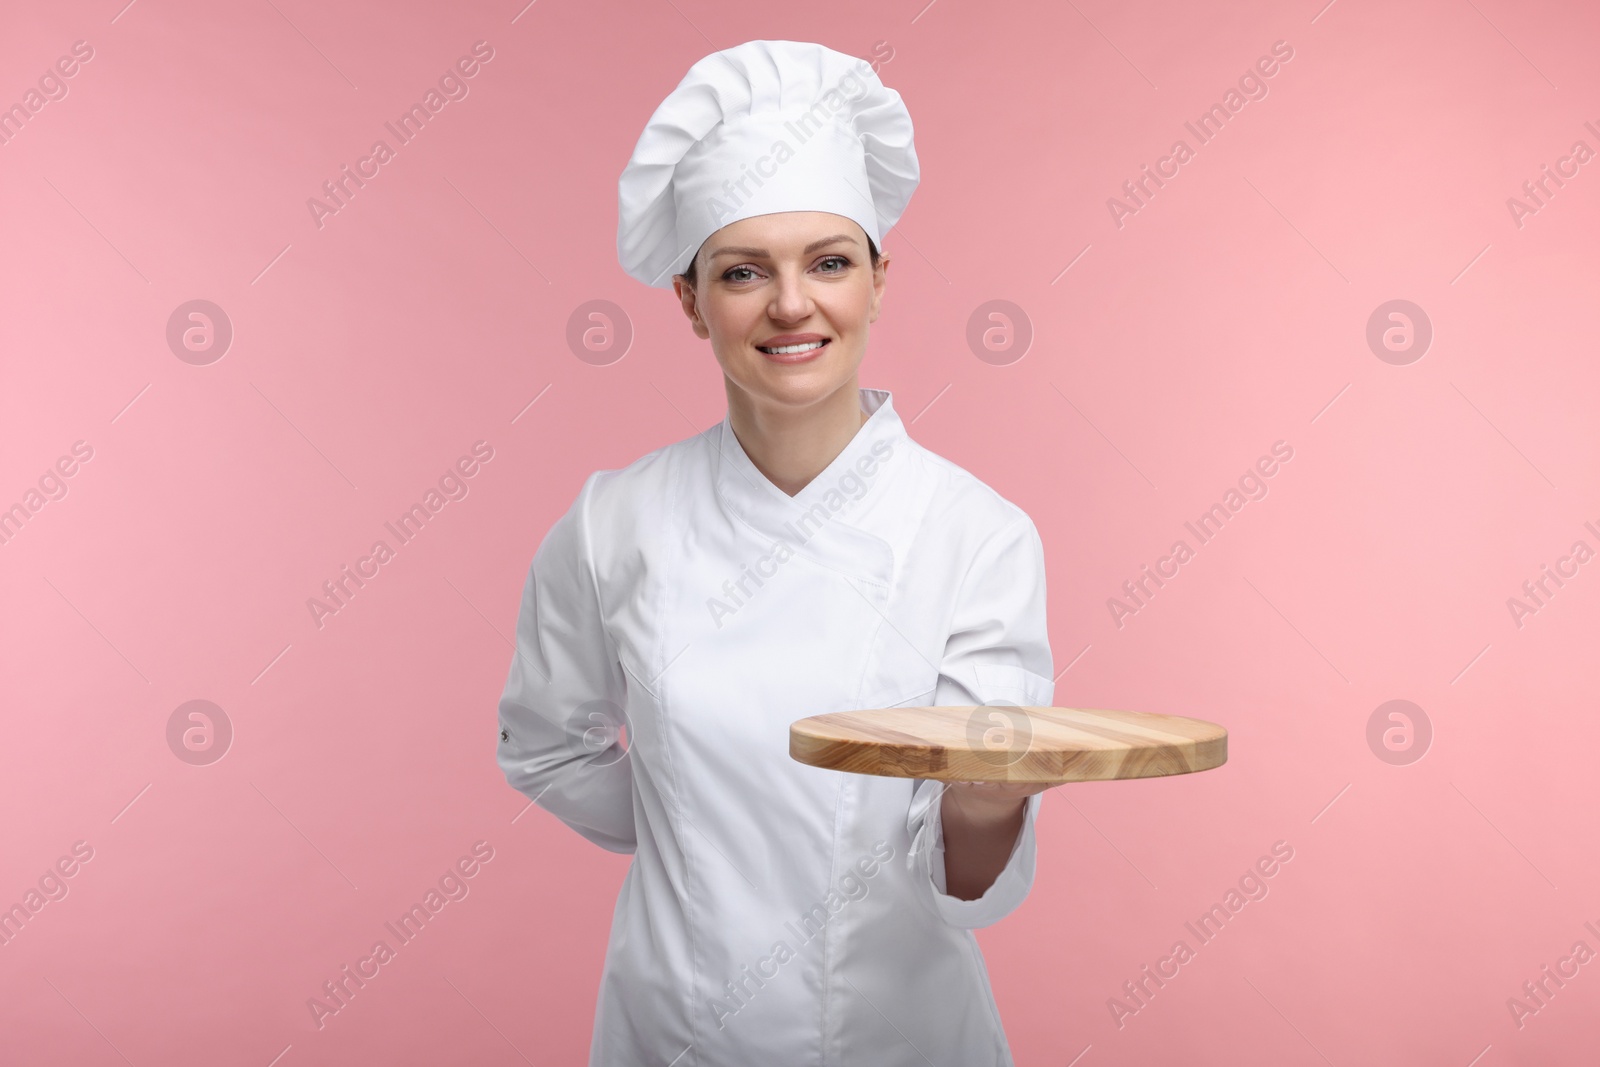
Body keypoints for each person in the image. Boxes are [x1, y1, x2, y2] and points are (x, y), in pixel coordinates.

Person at [496, 39, 1056, 1066]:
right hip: (675, 1031)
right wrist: (690, 825)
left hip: (907, 1036)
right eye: (743, 271)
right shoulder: (610, 521)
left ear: (880, 281)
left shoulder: (975, 533)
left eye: (830, 262)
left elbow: (964, 871)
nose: (791, 306)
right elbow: (543, 744)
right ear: (688, 300)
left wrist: (991, 796)